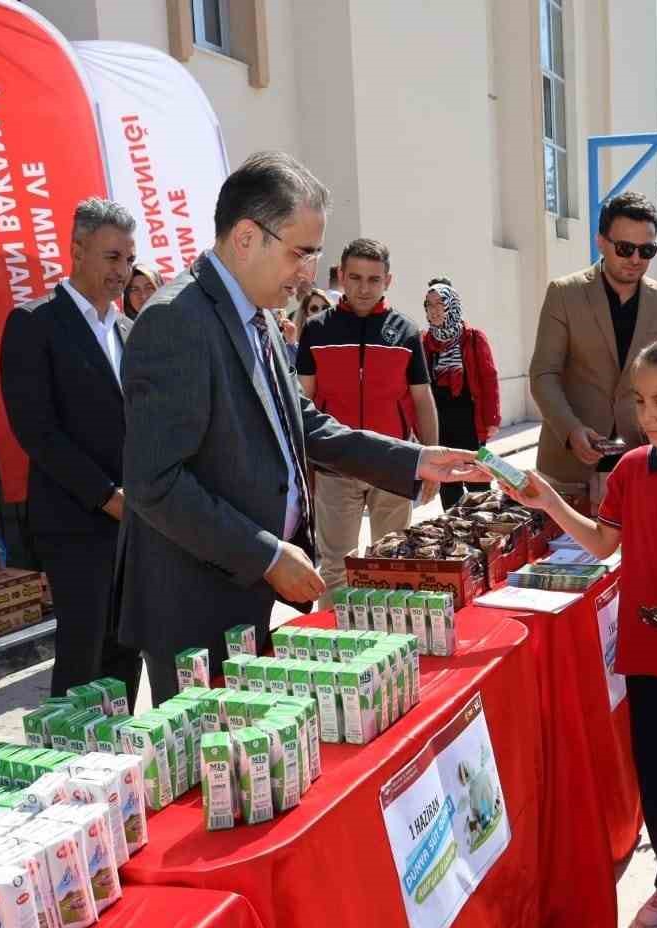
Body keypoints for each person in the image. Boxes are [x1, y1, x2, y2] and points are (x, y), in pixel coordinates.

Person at [116, 152, 479, 704]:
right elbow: (155, 482)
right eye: (301, 253)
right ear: (246, 238)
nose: (310, 273)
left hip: (243, 591)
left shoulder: (256, 314)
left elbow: (300, 424)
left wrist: (410, 459)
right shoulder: (176, 321)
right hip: (195, 606)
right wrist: (265, 554)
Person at [505, 333, 657, 928]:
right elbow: (604, 546)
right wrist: (547, 499)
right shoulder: (631, 468)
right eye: (640, 400)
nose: (647, 414)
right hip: (645, 651)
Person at [0, 198, 144, 706]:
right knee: (83, 656)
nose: (123, 272)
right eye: (112, 258)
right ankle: (72, 773)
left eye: (129, 259)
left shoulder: (131, 330)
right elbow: (37, 430)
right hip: (76, 521)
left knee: (128, 650)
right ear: (77, 251)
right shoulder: (34, 322)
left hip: (136, 523)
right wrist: (106, 495)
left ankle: (122, 766)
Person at [298, 238, 440, 601]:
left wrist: (431, 459)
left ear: (387, 281)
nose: (364, 288)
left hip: (392, 464)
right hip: (334, 466)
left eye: (374, 280)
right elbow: (303, 399)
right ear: (341, 277)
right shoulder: (316, 330)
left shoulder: (406, 332)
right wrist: (303, 467)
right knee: (334, 567)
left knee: (390, 562)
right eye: (356, 277)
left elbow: (422, 400)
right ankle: (334, 650)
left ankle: (388, 646)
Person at [529, 192, 657, 502]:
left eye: (647, 250)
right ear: (601, 241)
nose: (636, 260)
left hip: (642, 460)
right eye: (625, 248)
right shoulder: (564, 294)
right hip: (569, 466)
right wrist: (571, 430)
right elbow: (544, 375)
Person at [421, 282, 502, 509]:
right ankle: (455, 528)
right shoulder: (425, 341)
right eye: (429, 305)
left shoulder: (473, 337)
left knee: (477, 475)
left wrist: (492, 419)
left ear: (452, 305)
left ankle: (484, 522)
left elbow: (489, 379)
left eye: (440, 303)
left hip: (469, 416)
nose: (434, 309)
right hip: (440, 419)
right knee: (447, 478)